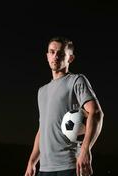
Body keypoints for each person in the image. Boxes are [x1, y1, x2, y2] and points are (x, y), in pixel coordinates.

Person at [24, 37, 104, 176]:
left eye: (60, 53)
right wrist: (32, 162)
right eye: (52, 52)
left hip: (70, 165)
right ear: (47, 56)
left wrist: (86, 149)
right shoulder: (42, 91)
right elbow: (42, 130)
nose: (55, 56)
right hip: (45, 169)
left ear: (70, 58)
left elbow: (96, 113)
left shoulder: (76, 80)